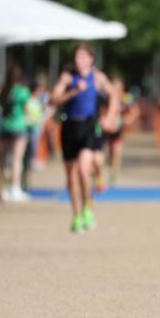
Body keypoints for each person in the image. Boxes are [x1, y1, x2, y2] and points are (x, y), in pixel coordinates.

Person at [50, 43, 119, 233]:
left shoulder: (97, 77)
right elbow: (53, 99)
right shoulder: (67, 77)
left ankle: (88, 204)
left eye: (82, 57)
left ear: (90, 59)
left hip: (88, 125)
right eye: (76, 57)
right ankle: (77, 215)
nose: (78, 61)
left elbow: (114, 95)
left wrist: (109, 117)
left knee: (83, 169)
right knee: (71, 177)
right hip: (69, 126)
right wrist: (73, 91)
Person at [0, 65, 31, 201]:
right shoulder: (23, 92)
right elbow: (27, 109)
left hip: (5, 127)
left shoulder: (4, 91)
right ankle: (15, 187)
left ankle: (1, 188)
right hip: (19, 127)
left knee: (3, 159)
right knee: (17, 159)